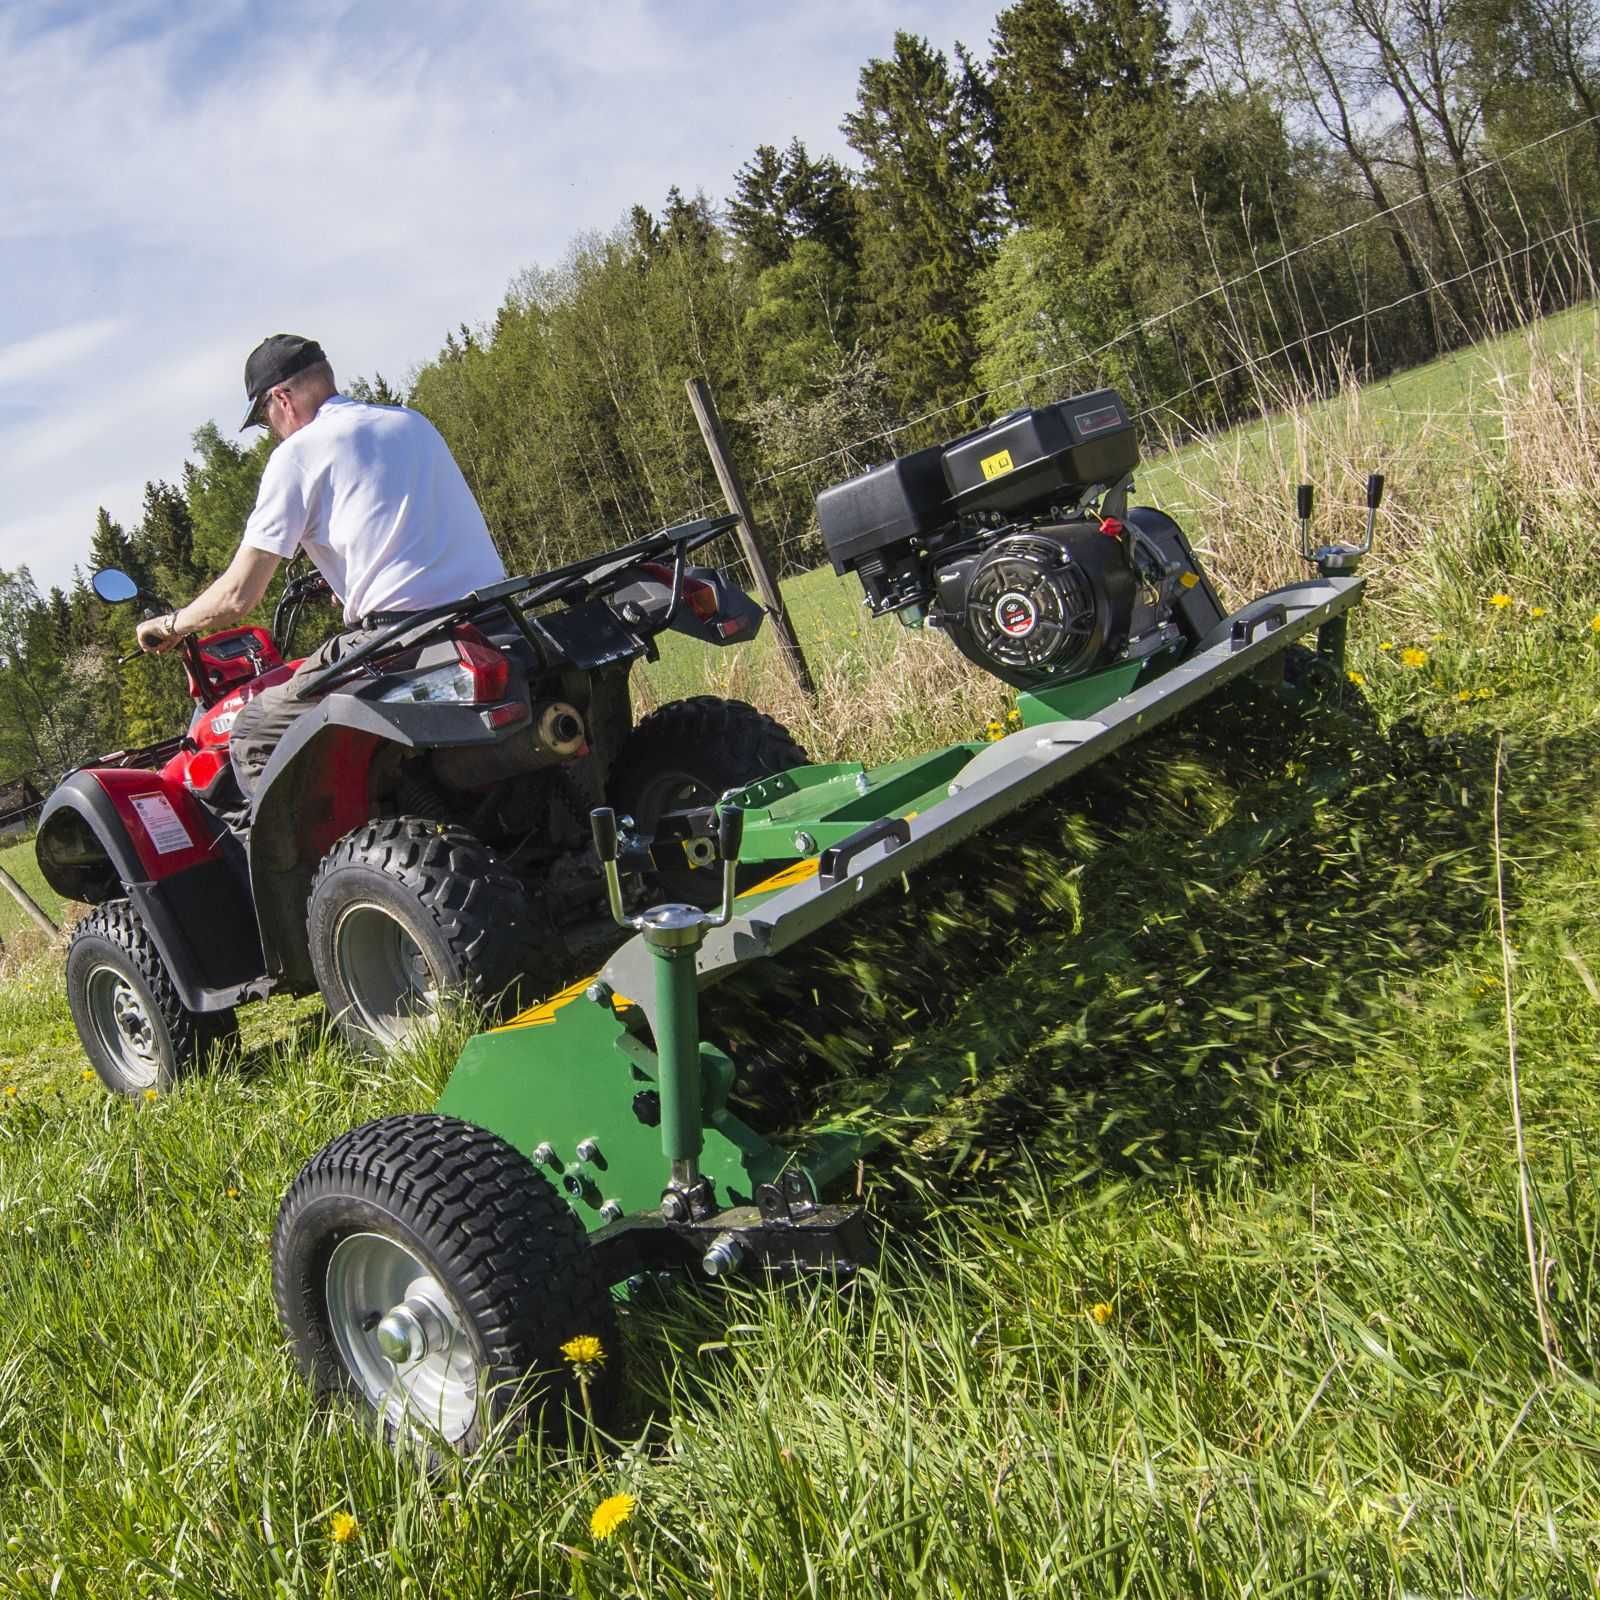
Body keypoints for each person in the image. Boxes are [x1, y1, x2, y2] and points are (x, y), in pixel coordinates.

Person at [137, 334, 507, 797]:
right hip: (492, 615)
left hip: (401, 638)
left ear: (282, 399)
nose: (272, 429)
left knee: (254, 732)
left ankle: (306, 870)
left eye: (265, 418)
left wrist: (172, 624)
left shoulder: (298, 454)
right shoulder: (408, 421)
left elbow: (237, 596)